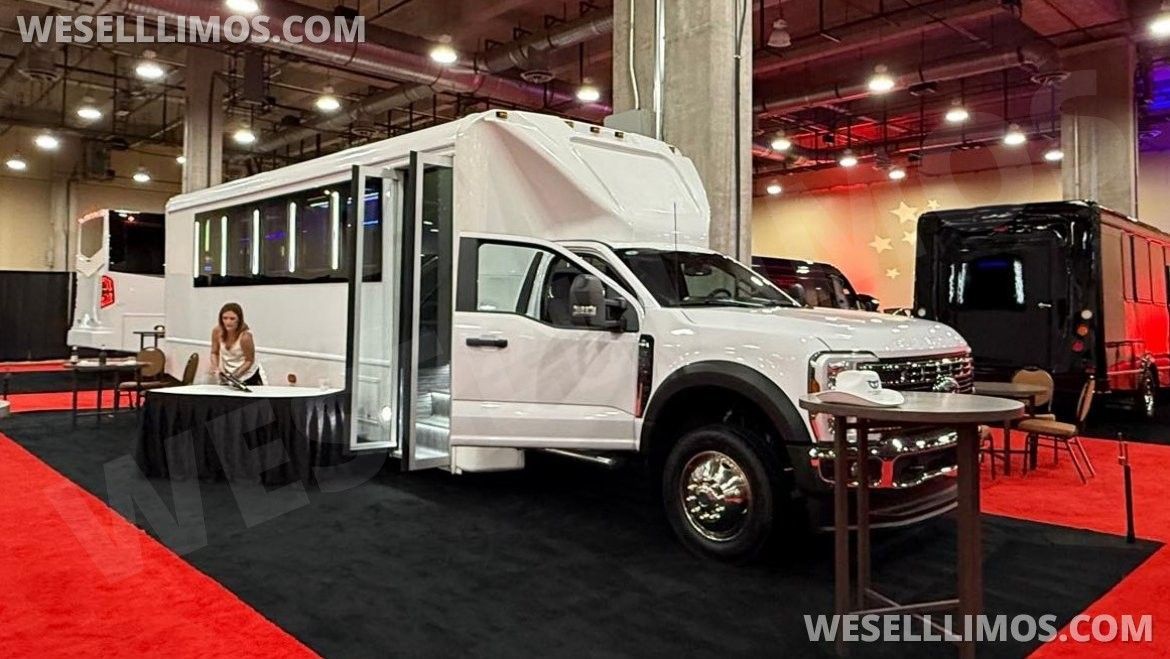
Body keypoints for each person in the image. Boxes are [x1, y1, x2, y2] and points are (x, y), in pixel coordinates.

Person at [209, 302, 264, 386]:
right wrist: (216, 368)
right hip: (228, 373)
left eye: (232, 319)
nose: (228, 322)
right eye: (225, 318)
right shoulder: (217, 331)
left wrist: (234, 376)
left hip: (247, 375)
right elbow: (214, 352)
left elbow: (249, 361)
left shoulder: (245, 336)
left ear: (239, 320)